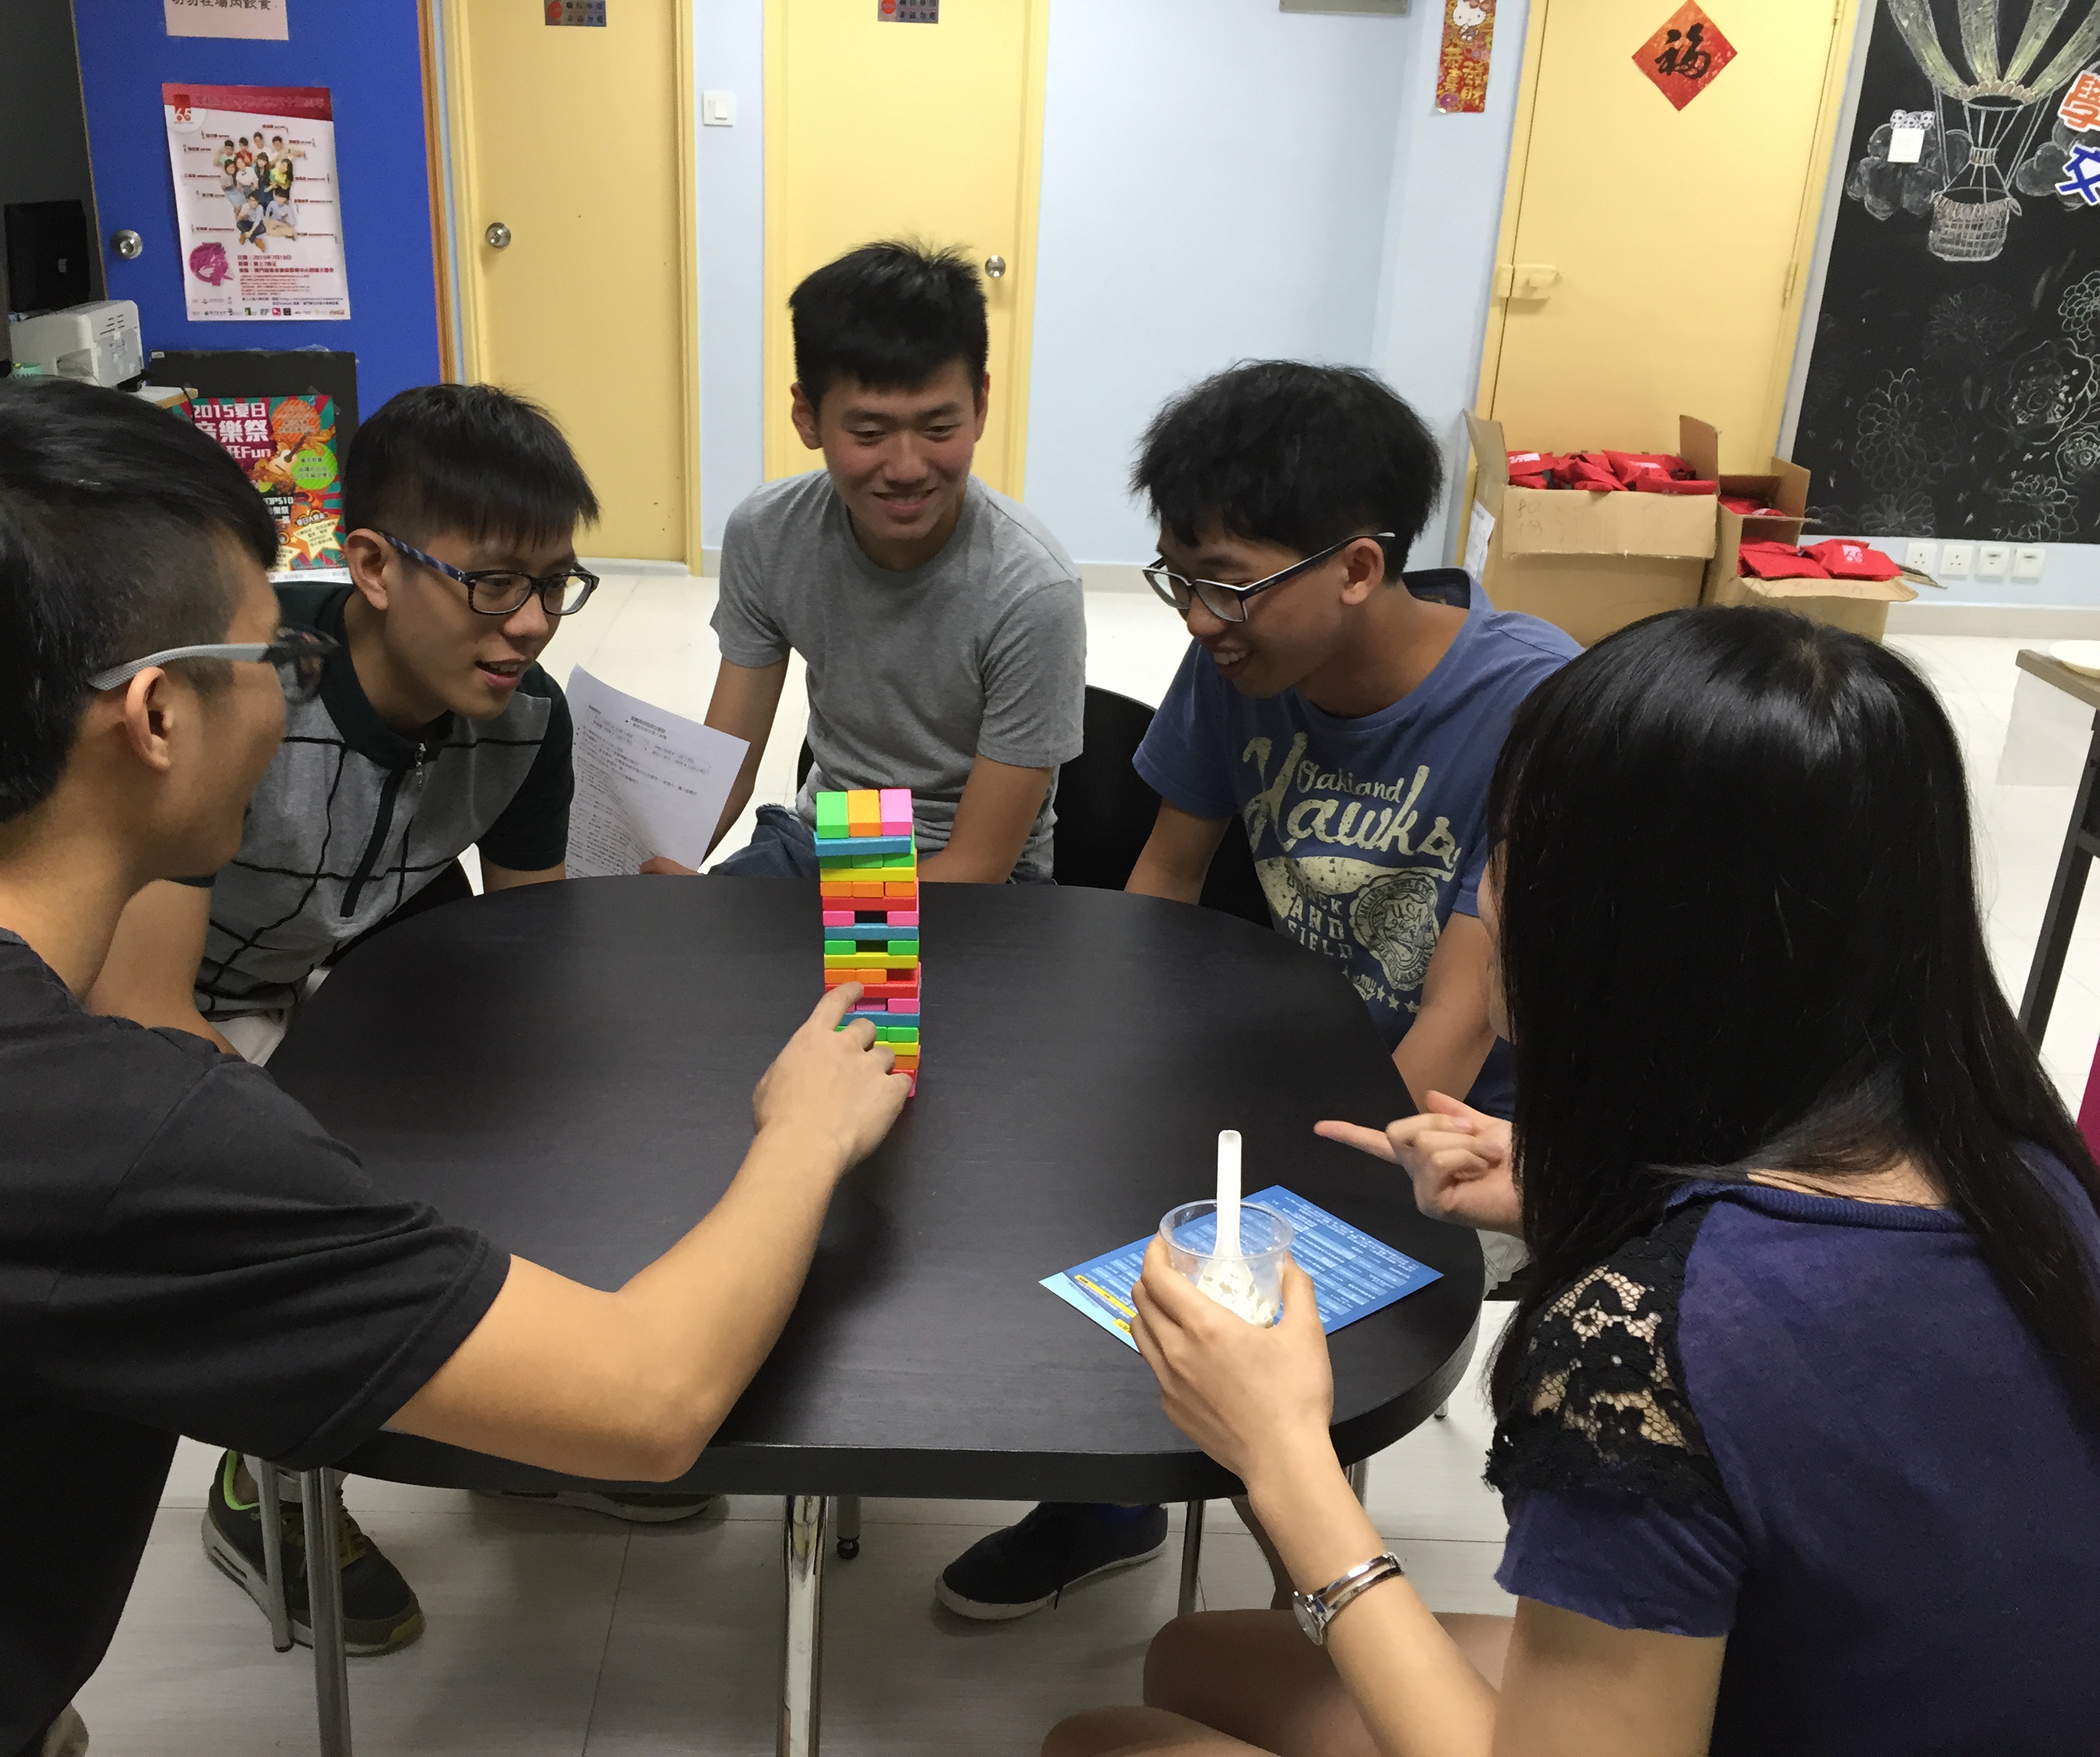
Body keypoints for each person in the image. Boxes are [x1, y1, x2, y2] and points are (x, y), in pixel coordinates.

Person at [0, 378, 910, 1757]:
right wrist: (805, 1125)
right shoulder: (124, 1128)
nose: (286, 687)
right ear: (157, 716)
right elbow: (650, 1397)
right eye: (266, 657)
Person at [1046, 606, 2100, 1757]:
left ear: (1624, 925)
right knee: (1196, 1658)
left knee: (1105, 1741)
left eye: (1501, 853)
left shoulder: (1633, 1346)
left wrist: (1284, 1457)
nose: (1480, 897)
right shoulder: (2022, 1166)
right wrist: (1587, 1193)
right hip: (1836, 1676)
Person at [934, 363, 1576, 1622]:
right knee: (1031, 1174)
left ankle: (1322, 1619)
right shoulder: (1239, 668)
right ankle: (1108, 1494)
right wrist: (1093, 1061)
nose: (1198, 620)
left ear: (1356, 566)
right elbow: (1166, 877)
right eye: (1178, 579)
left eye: (1227, 583)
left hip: (1461, 1131)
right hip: (1279, 1063)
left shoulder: (1529, 704)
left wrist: (1299, 1199)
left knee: (1250, 1288)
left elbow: (1459, 1017)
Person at [85, 380, 704, 1648]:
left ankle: (519, 1429)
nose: (528, 623)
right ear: (370, 566)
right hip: (176, 994)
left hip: (344, 964)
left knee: (544, 1112)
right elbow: (142, 1012)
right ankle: (264, 1487)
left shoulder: (527, 721)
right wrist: (315, 1165)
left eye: (554, 585)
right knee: (291, 1195)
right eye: (492, 583)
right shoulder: (246, 694)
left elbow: (529, 955)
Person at [656, 239, 1086, 884]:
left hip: (976, 885)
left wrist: (789, 930)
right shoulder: (769, 534)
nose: (907, 468)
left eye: (938, 429)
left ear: (981, 405)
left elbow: (980, 864)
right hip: (833, 839)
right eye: (869, 433)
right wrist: (663, 867)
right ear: (807, 417)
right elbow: (726, 765)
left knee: (788, 951)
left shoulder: (1031, 589)